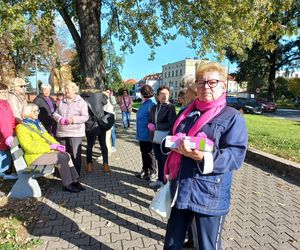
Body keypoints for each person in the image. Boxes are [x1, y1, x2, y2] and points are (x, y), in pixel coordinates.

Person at [163, 62, 248, 250]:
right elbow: (171, 135)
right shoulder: (187, 113)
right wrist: (173, 145)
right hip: (182, 189)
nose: (205, 87)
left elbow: (235, 156)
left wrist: (203, 157)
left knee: (207, 246)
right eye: (201, 83)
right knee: (171, 244)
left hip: (210, 194)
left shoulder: (232, 117)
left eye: (212, 82)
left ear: (223, 86)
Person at [16, 103, 84, 193]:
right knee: (61, 158)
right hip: (34, 157)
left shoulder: (37, 123)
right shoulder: (22, 128)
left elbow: (47, 136)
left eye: (38, 111)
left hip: (43, 153)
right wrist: (50, 147)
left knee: (66, 154)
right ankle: (67, 184)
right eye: (35, 111)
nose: (37, 113)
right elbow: (29, 147)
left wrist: (57, 145)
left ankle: (75, 181)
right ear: (28, 112)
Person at [53, 81, 89, 175]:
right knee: (64, 156)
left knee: (75, 156)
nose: (65, 91)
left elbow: (85, 117)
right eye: (65, 89)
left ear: (74, 90)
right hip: (62, 132)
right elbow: (55, 113)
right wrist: (60, 119)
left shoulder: (81, 102)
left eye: (67, 89)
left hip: (75, 133)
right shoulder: (62, 102)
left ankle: (76, 176)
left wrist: (73, 119)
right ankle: (66, 176)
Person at [148, 86, 176, 189]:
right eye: (162, 94)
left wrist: (156, 126)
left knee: (165, 161)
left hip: (165, 138)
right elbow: (150, 119)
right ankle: (160, 180)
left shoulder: (170, 107)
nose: (164, 96)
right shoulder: (155, 107)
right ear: (157, 96)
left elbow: (171, 124)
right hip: (155, 138)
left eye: (166, 94)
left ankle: (165, 183)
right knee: (158, 160)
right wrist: (149, 124)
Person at [81, 77, 109, 173]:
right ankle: (105, 165)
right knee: (103, 144)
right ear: (94, 85)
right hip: (100, 123)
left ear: (85, 85)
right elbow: (105, 102)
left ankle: (89, 166)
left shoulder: (82, 96)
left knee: (89, 145)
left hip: (88, 124)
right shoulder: (100, 95)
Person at [135, 85, 157, 181]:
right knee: (144, 153)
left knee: (150, 153)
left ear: (144, 93)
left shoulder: (151, 104)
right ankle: (145, 170)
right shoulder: (145, 103)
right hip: (142, 134)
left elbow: (154, 119)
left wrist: (149, 126)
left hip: (148, 134)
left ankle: (153, 172)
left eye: (141, 93)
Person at [0, 81, 16, 180]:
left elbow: (11, 119)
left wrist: (17, 127)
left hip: (8, 136)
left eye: (6, 92)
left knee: (6, 155)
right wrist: (7, 136)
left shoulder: (6, 104)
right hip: (3, 137)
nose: (5, 94)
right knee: (2, 157)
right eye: (2, 92)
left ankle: (5, 174)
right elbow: (2, 123)